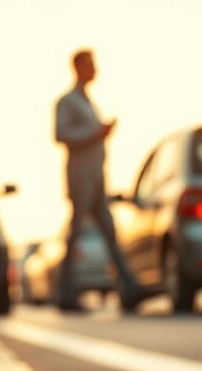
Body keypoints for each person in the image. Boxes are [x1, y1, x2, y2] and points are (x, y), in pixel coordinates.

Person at [54, 49, 141, 312]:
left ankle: (129, 286)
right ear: (78, 67)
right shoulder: (67, 101)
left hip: (98, 176)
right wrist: (96, 131)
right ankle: (65, 293)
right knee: (75, 234)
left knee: (109, 231)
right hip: (80, 178)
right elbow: (60, 134)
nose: (95, 69)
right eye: (90, 65)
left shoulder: (88, 101)